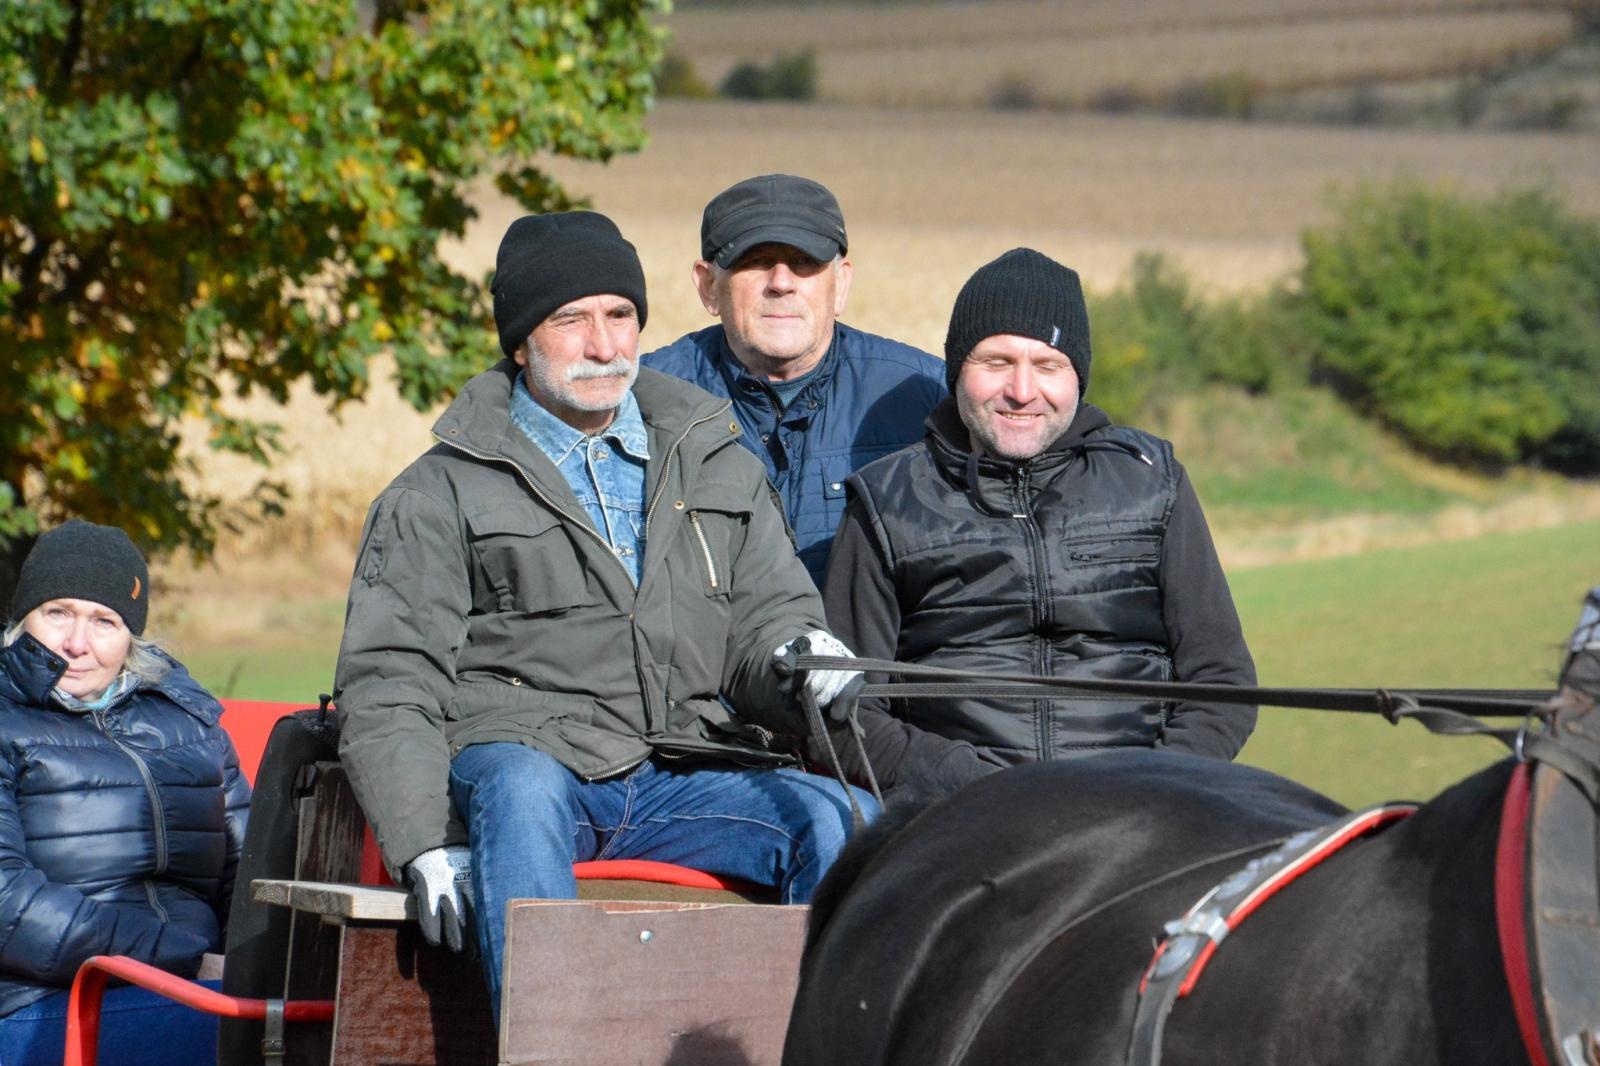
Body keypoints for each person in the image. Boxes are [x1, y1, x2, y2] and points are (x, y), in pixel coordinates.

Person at [334, 210, 875, 1024]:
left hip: (681, 771)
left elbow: (768, 622)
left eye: (620, 315)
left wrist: (803, 660)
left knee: (844, 819)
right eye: (571, 320)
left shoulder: (713, 459)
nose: (603, 344)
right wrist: (424, 841)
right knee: (519, 786)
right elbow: (389, 680)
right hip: (532, 769)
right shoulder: (437, 492)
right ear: (521, 344)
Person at [823, 248, 1257, 802]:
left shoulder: (1153, 479)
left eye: (1048, 366)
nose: (1022, 391)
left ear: (1078, 378)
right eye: (996, 362)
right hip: (960, 813)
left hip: (1143, 805)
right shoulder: (885, 502)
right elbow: (846, 709)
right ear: (957, 371)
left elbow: (1221, 683)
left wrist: (1149, 788)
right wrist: (974, 788)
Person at [0, 521, 250, 1066]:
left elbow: (252, 866)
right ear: (23, 618)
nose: (77, 643)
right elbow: (7, 903)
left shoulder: (189, 720)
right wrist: (185, 960)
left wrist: (254, 961)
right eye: (57, 612)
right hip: (41, 1000)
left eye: (104, 621)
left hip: (197, 984)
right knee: (253, 1038)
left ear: (130, 635)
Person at [643, 173, 947, 585]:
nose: (781, 283)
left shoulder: (923, 396)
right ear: (709, 286)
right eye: (755, 261)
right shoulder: (648, 402)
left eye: (804, 262)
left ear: (841, 284)